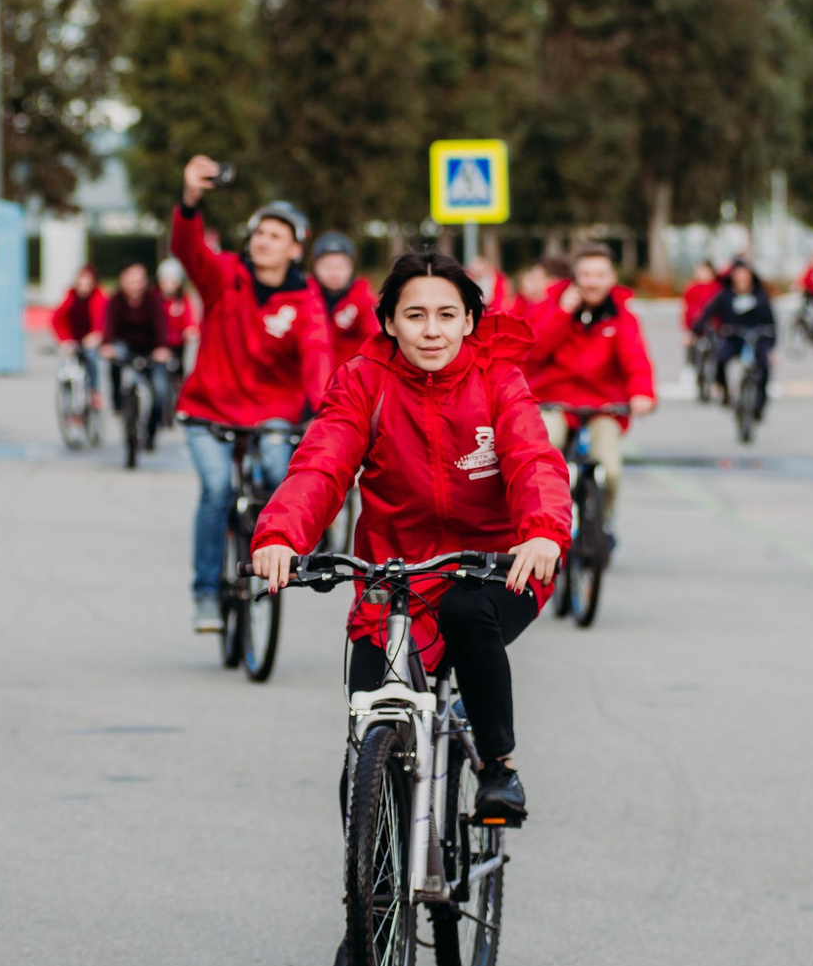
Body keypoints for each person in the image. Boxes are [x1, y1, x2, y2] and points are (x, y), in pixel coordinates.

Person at [249, 250, 569, 845]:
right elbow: (321, 466)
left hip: (499, 563)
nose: (431, 330)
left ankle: (499, 767)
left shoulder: (499, 379)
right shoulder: (363, 382)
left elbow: (533, 460)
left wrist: (544, 530)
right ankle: (371, 911)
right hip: (392, 572)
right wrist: (280, 535)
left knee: (468, 612)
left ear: (469, 321)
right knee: (367, 743)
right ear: (389, 322)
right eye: (414, 314)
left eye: (447, 315)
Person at [170, 155, 333, 633]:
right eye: (259, 232)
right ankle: (204, 592)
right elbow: (187, 247)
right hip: (207, 412)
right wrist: (191, 198)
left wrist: (327, 415)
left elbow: (318, 360)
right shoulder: (223, 277)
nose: (263, 240)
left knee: (280, 474)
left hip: (271, 416)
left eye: (276, 236)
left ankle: (266, 545)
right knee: (218, 487)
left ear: (295, 250)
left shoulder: (305, 301)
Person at [526, 244, 657, 526]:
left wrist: (642, 394)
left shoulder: (622, 317)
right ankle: (541, 523)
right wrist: (562, 313)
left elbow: (636, 361)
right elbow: (533, 353)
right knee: (541, 460)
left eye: (599, 275)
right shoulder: (551, 307)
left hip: (603, 406)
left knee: (610, 468)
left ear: (611, 279)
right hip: (555, 402)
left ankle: (602, 522)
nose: (592, 282)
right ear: (575, 278)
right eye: (585, 275)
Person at [98, 259, 178, 437]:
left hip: (150, 348)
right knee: (115, 363)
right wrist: (107, 345)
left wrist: (162, 349)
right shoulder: (116, 300)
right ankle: (118, 403)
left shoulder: (153, 300)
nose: (134, 285)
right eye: (129, 280)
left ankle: (151, 428)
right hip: (126, 347)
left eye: (138, 280)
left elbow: (161, 327)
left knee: (159, 391)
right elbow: (109, 326)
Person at [691, 259, 777, 405]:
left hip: (756, 338)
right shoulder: (726, 295)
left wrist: (771, 347)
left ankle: (761, 401)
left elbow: (771, 323)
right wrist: (695, 330)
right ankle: (725, 391)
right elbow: (709, 312)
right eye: (738, 274)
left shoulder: (760, 295)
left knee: (764, 367)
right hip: (733, 336)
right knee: (719, 359)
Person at [309, 232, 373, 376]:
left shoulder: (362, 298)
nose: (334, 273)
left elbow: (373, 338)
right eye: (327, 266)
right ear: (315, 267)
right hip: (311, 379)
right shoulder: (305, 296)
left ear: (351, 268)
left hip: (351, 379)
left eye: (340, 267)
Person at [50, 265, 109, 407]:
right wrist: (65, 340)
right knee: (65, 366)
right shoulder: (70, 296)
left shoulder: (100, 297)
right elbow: (57, 319)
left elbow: (103, 319)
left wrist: (97, 335)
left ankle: (94, 391)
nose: (83, 287)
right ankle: (69, 403)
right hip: (73, 339)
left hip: (91, 339)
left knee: (91, 358)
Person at [157, 258, 199, 377]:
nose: (168, 286)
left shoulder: (184, 300)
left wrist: (189, 329)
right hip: (162, 343)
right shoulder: (156, 301)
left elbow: (189, 320)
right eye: (165, 282)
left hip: (180, 343)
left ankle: (189, 376)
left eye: (172, 282)